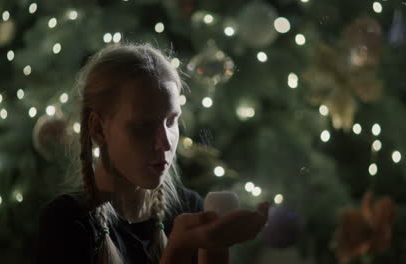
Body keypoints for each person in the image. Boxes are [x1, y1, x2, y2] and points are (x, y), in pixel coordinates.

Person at [37, 43, 269, 264]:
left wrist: (216, 247)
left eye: (171, 121)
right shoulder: (66, 223)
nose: (165, 143)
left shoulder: (188, 208)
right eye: (143, 126)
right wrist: (178, 249)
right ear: (98, 129)